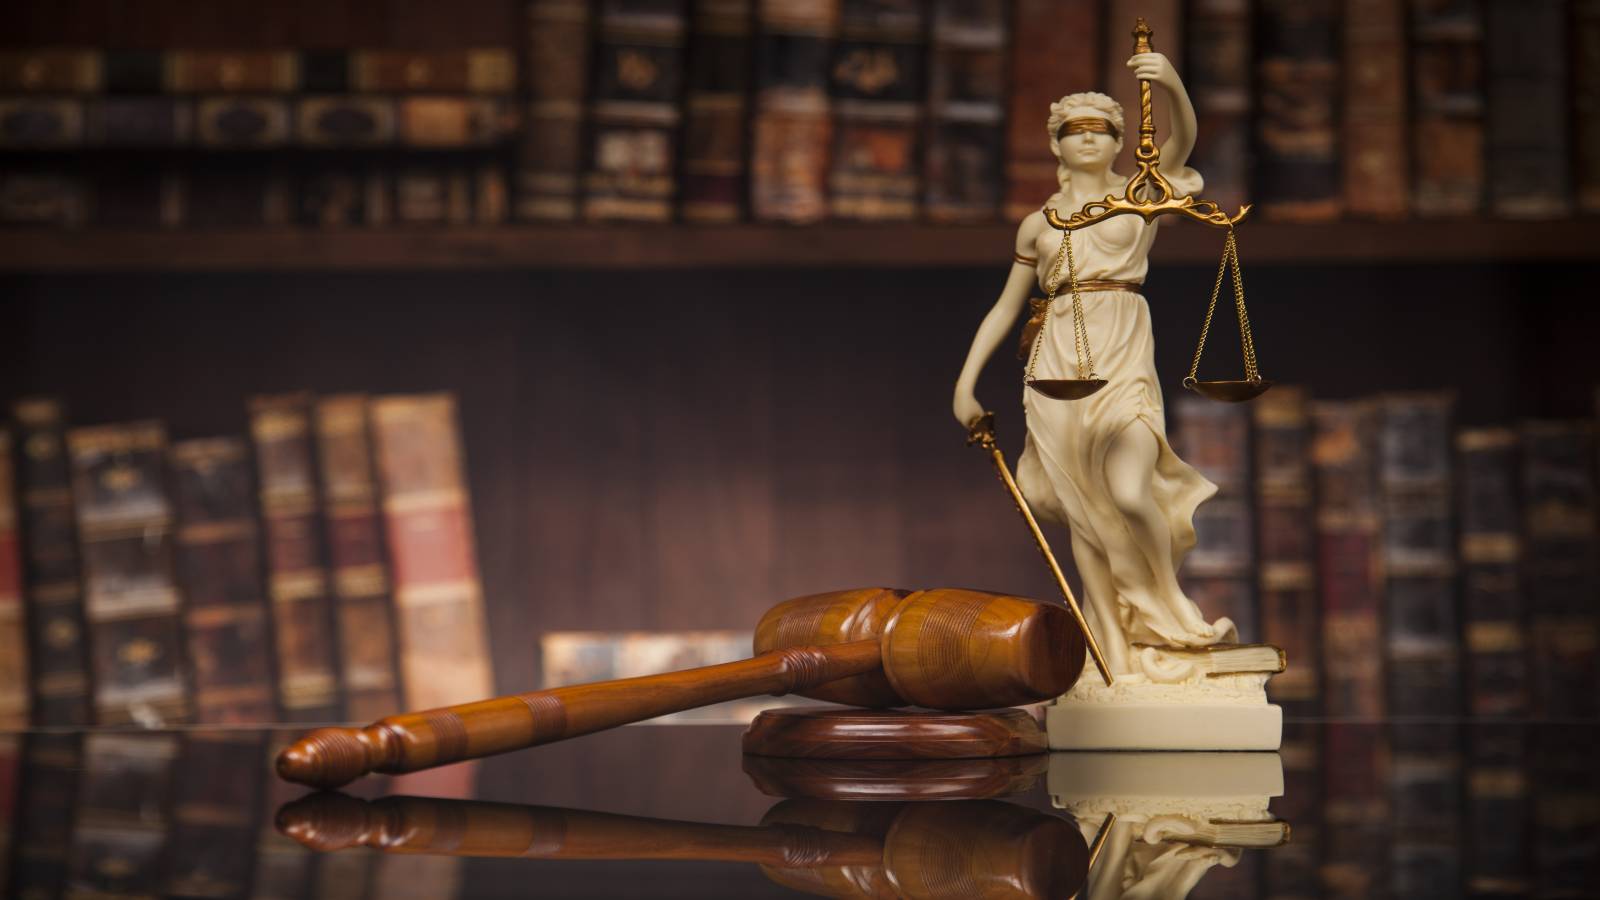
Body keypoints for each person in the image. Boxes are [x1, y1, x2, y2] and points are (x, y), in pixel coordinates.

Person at [951, 52, 1235, 681]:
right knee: (1083, 510)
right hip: (1056, 364)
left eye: (1101, 131)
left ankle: (1169, 603)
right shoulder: (1040, 224)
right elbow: (1005, 308)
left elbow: (1182, 144)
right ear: (1057, 145)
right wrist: (965, 384)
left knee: (1132, 494)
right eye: (1074, 131)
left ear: (1117, 145)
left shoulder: (1139, 199)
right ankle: (1110, 645)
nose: (1087, 138)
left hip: (1123, 349)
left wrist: (1169, 83)